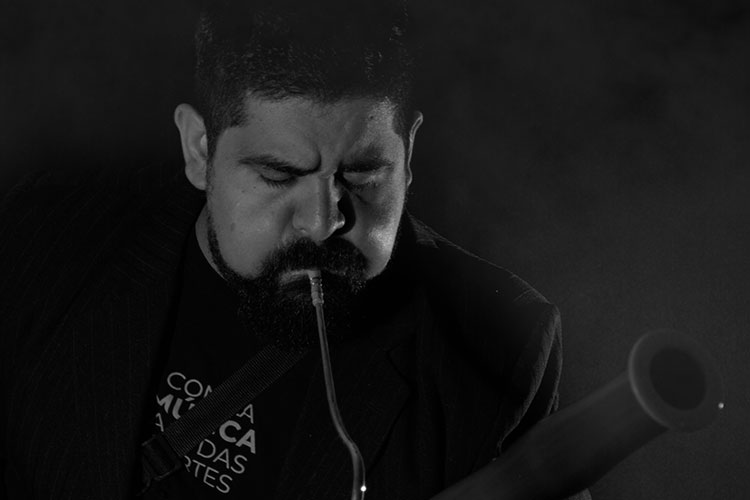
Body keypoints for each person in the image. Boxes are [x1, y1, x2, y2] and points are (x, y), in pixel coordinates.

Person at [0, 0, 590, 499]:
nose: (323, 223)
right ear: (200, 149)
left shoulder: (496, 344)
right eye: (279, 175)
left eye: (364, 174)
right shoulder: (48, 236)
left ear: (408, 153)